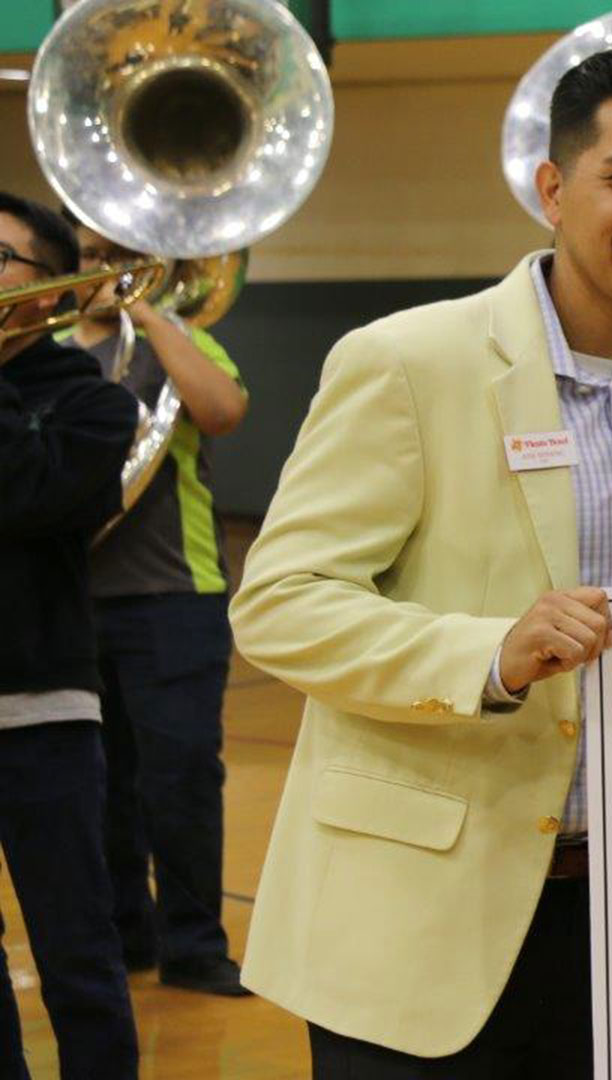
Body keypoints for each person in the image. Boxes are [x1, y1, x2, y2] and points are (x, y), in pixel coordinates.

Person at [228, 50, 612, 1074]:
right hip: (419, 929)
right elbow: (282, 605)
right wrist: (489, 656)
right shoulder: (408, 359)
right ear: (553, 191)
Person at [58, 217, 252, 996]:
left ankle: (196, 947)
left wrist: (146, 313)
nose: (105, 269)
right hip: (71, 595)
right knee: (98, 781)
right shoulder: (47, 353)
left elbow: (223, 411)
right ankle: (127, 935)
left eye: (120, 257)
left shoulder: (182, 338)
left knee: (179, 779)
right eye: (90, 257)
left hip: (175, 594)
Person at [0, 191, 141, 1078]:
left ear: (53, 293)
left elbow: (24, 498)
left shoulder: (91, 403)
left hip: (41, 713)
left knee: (78, 952)